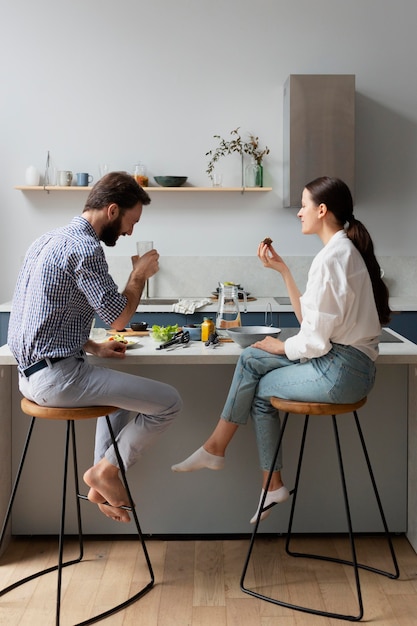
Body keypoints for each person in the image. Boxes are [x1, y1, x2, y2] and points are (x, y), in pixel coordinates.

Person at [172, 176, 390, 524]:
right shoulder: (340, 251)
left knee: (258, 388)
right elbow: (312, 321)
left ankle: (238, 463)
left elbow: (314, 341)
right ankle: (228, 457)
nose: (299, 212)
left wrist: (283, 345)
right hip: (348, 368)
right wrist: (284, 271)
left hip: (339, 372)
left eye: (304, 205)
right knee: (251, 357)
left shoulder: (332, 258)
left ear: (322, 210)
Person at [8, 171, 183, 523]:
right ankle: (105, 472)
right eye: (131, 222)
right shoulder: (85, 248)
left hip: (30, 377)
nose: (130, 232)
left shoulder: (46, 240)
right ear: (113, 210)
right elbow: (118, 318)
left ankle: (102, 478)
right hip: (57, 380)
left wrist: (93, 347)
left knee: (119, 404)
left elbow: (43, 315)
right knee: (168, 403)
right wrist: (138, 276)